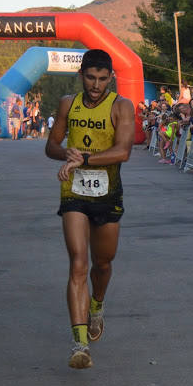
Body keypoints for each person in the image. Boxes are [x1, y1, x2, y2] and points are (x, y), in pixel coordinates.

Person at [44, 49, 135, 369]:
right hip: (74, 192)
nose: (96, 85)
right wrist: (65, 153)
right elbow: (51, 147)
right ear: (80, 75)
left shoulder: (121, 106)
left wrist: (83, 159)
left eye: (102, 78)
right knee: (79, 263)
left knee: (103, 264)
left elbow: (123, 151)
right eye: (90, 78)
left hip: (108, 193)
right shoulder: (68, 104)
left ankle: (97, 305)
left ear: (111, 78)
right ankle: (79, 344)